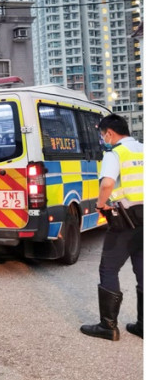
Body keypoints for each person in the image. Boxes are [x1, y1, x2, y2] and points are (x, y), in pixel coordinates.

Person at [81, 113, 143, 341]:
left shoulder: (115, 153)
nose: (103, 140)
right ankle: (143, 325)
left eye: (103, 136)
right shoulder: (143, 149)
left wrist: (100, 204)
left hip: (125, 220)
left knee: (109, 269)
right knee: (143, 271)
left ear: (110, 133)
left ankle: (108, 326)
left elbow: (107, 183)